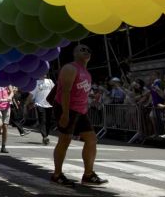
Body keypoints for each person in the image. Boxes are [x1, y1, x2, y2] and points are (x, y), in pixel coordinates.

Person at [52, 44, 108, 187]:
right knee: (64, 140)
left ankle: (88, 175)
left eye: (88, 50)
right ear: (74, 54)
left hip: (81, 111)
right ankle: (57, 174)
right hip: (67, 109)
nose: (86, 51)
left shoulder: (87, 73)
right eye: (82, 49)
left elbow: (82, 93)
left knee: (91, 139)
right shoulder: (70, 68)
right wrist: (65, 114)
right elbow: (66, 92)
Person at [28, 73, 55, 146]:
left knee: (48, 121)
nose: (44, 74)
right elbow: (31, 94)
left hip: (49, 104)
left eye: (45, 72)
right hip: (39, 104)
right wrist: (28, 103)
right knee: (42, 121)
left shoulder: (50, 81)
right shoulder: (36, 83)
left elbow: (54, 91)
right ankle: (45, 137)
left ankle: (46, 135)